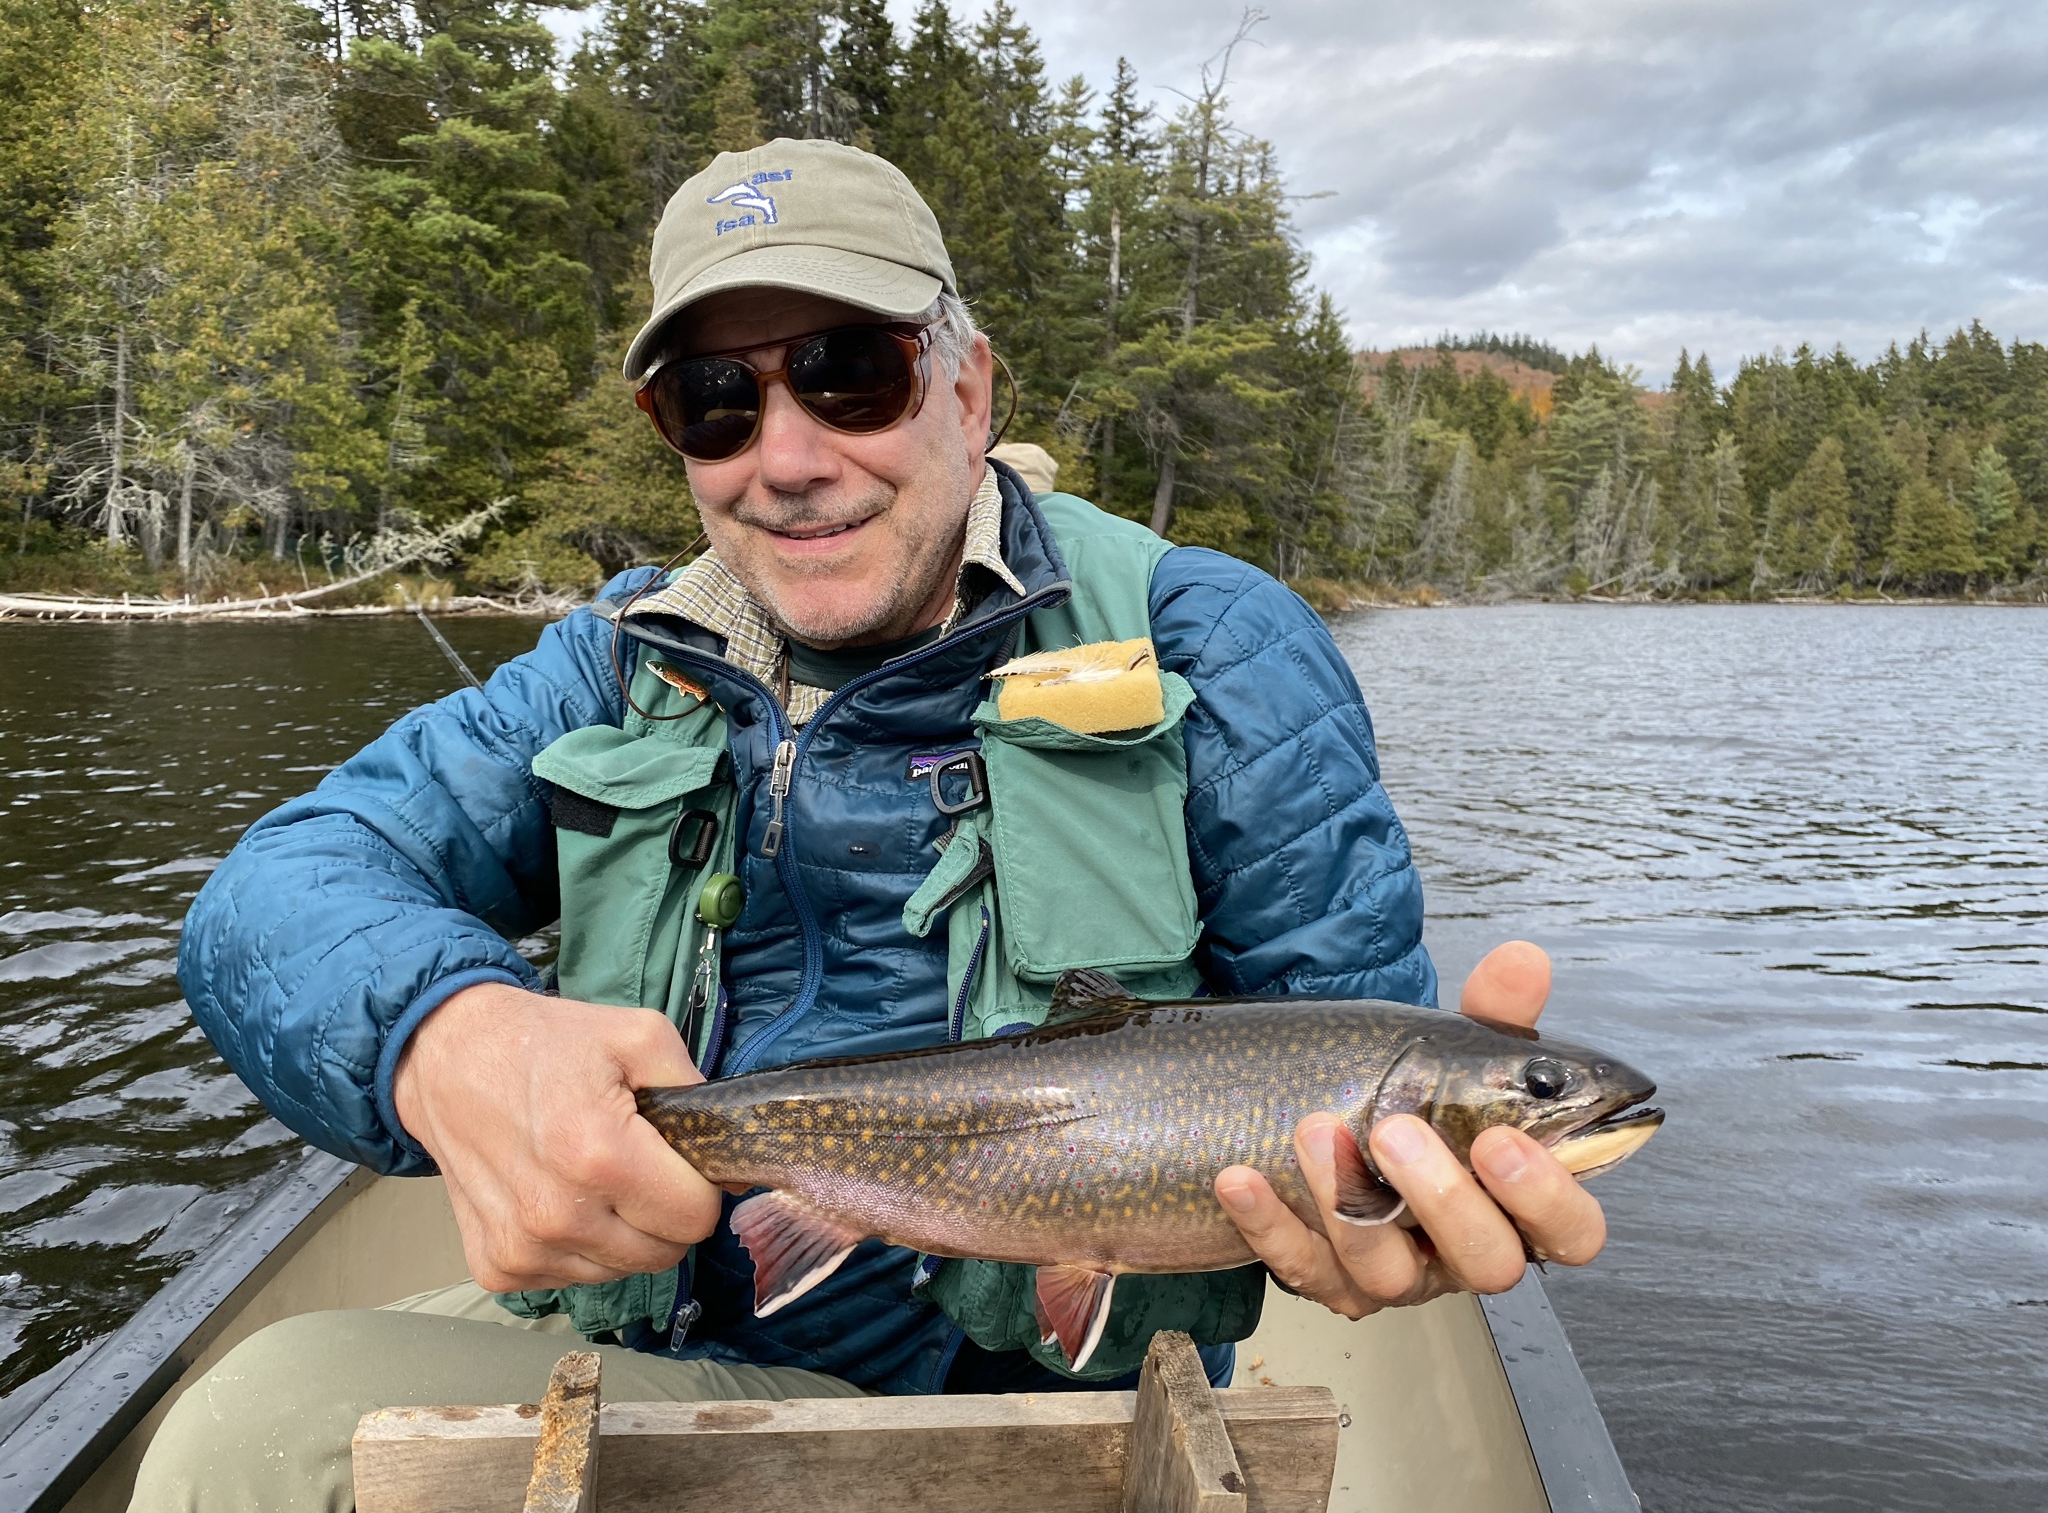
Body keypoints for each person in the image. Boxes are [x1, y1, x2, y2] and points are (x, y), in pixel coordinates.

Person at [139, 139, 1607, 1510]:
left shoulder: (1212, 644)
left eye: (850, 373)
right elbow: (270, 897)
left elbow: (1337, 1060)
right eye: (715, 398)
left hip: (1042, 1423)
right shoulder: (613, 661)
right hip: (668, 1335)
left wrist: (1391, 1233)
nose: (782, 457)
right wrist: (438, 1037)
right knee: (267, 1409)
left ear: (968, 390)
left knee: (244, 1432)